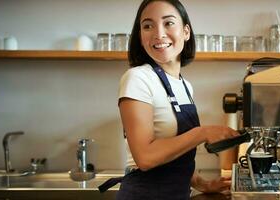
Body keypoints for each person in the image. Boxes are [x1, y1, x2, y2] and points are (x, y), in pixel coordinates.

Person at [98, 0, 239, 199]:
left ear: (186, 32)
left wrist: (203, 184)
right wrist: (203, 133)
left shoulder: (185, 86)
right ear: (140, 36)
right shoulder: (138, 78)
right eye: (148, 26)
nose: (158, 34)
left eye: (168, 23)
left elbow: (175, 158)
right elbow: (145, 157)